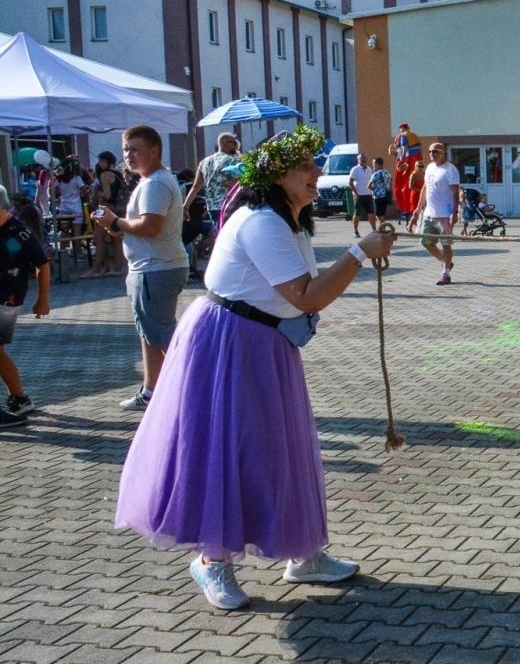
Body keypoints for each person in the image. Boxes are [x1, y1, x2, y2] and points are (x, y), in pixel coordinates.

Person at [114, 127, 397, 611]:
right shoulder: (262, 221)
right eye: (305, 166)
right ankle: (211, 562)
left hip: (265, 344)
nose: (315, 173)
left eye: (314, 163)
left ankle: (301, 553)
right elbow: (305, 295)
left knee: (284, 449)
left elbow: (299, 296)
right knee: (229, 450)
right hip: (230, 344)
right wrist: (357, 252)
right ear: (277, 175)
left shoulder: (289, 219)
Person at [91, 126, 188, 411]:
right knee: (150, 336)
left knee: (164, 338)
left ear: (154, 150)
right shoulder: (150, 181)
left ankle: (200, 389)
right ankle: (150, 392)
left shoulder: (156, 183)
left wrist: (115, 222)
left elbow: (151, 227)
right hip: (150, 268)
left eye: (135, 149)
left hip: (157, 269)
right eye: (125, 150)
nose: (128, 156)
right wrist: (116, 224)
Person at [0, 184, 50, 426]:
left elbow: (43, 264)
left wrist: (43, 299)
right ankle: (19, 398)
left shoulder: (19, 232)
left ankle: (18, 399)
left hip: (7, 299)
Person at [183, 132, 241, 266]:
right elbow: (240, 183)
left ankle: (220, 263)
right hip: (230, 205)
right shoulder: (232, 161)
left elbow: (195, 187)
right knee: (231, 238)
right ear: (225, 143)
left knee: (220, 235)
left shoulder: (204, 162)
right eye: (233, 142)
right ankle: (227, 264)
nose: (236, 145)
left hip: (212, 207)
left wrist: (185, 206)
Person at [414, 143, 461, 284]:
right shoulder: (429, 167)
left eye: (435, 151)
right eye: (429, 151)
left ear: (443, 152)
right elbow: (425, 188)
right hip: (429, 213)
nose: (431, 154)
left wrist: (454, 212)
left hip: (445, 215)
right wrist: (418, 209)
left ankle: (445, 274)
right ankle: (445, 261)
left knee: (445, 243)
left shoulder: (450, 170)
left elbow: (455, 193)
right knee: (425, 242)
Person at [86, 151, 128, 278]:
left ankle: (96, 270)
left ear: (106, 161)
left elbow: (108, 195)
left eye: (101, 161)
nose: (99, 164)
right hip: (119, 210)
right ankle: (117, 268)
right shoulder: (118, 174)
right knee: (117, 240)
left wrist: (98, 194)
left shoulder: (105, 175)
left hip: (106, 209)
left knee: (99, 240)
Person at [347, 152, 377, 236]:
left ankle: (374, 230)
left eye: (364, 158)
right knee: (357, 214)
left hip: (368, 195)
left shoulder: (369, 169)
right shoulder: (355, 169)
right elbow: (350, 182)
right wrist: (356, 193)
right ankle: (355, 231)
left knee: (371, 213)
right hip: (359, 195)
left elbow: (371, 182)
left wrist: (373, 190)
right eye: (361, 159)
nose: (363, 160)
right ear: (358, 160)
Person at [370, 156, 392, 221]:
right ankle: (383, 228)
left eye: (374, 164)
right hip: (386, 196)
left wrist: (374, 189)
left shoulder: (375, 174)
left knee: (378, 215)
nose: (373, 166)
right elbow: (391, 182)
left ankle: (381, 228)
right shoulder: (387, 172)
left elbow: (368, 186)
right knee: (382, 214)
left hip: (378, 197)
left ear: (377, 164)